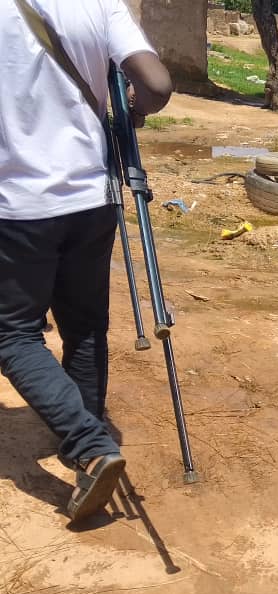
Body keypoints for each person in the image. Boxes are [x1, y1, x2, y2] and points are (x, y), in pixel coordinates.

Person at [0, 1, 172, 521]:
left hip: (19, 204)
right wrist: (134, 110)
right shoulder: (99, 4)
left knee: (13, 334)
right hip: (93, 199)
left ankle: (89, 444)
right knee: (86, 328)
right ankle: (92, 451)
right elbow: (158, 85)